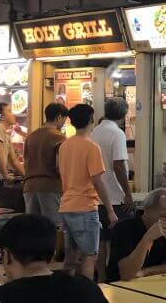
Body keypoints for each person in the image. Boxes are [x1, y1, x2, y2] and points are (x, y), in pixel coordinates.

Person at [57, 104, 118, 281]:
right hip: (85, 207)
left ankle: (67, 292)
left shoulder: (64, 146)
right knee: (90, 256)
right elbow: (97, 181)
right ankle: (88, 295)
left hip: (66, 206)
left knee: (70, 256)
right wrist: (111, 211)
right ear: (91, 120)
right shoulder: (91, 147)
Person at [92, 97, 135, 278]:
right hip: (116, 198)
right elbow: (118, 165)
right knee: (122, 240)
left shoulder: (94, 132)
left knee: (100, 242)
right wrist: (128, 193)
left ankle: (101, 278)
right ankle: (116, 278)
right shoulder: (117, 134)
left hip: (97, 197)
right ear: (124, 115)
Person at [23, 103, 68, 223]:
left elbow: (26, 163)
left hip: (29, 187)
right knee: (53, 227)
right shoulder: (59, 137)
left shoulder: (31, 137)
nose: (63, 124)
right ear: (59, 118)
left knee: (33, 228)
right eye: (64, 120)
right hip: (50, 186)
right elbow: (59, 166)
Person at [0, 103, 23, 182]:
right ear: (1, 116)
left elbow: (14, 161)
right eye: (9, 111)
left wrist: (27, 177)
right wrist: (5, 174)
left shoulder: (5, 134)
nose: (13, 114)